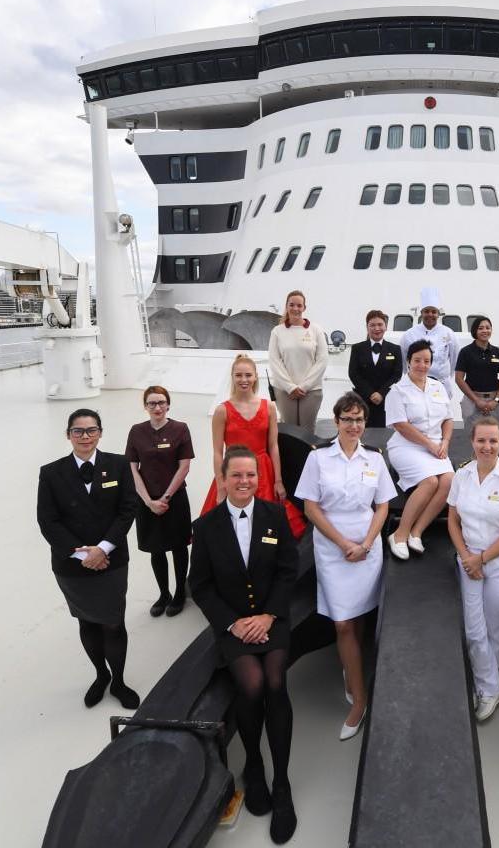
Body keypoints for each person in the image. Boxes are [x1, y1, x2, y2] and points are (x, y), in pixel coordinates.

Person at [189, 445, 300, 844]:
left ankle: (282, 783)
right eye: (236, 475)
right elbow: (198, 584)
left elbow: (289, 569)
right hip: (234, 625)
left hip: (271, 618)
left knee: (275, 683)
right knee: (250, 685)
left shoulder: (274, 515)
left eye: (251, 475)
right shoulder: (206, 527)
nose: (244, 482)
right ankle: (254, 765)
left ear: (259, 478)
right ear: (223, 478)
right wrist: (234, 624)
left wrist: (269, 615)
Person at [294, 393, 396, 740]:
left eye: (359, 420)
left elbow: (382, 506)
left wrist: (366, 544)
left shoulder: (374, 459)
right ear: (336, 422)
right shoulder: (319, 459)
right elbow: (312, 508)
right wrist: (344, 544)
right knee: (342, 623)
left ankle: (352, 671)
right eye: (347, 419)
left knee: (361, 616)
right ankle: (360, 700)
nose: (354, 425)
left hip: (367, 549)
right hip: (334, 549)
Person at [37, 409, 141, 709]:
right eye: (78, 431)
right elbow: (48, 521)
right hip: (72, 566)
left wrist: (103, 549)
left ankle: (118, 681)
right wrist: (82, 553)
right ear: (68, 434)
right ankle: (100, 675)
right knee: (87, 622)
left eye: (91, 430)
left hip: (111, 561)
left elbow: (127, 509)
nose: (85, 436)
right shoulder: (51, 473)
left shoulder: (118, 465)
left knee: (113, 623)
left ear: (100, 432)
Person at [447, 416, 499, 721]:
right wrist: (468, 556)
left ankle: (484, 689)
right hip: (469, 560)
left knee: (495, 628)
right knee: (473, 629)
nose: (487, 446)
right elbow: (453, 521)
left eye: (493, 440)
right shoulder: (462, 475)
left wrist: (481, 559)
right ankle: (491, 687)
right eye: (481, 440)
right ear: (472, 441)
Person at [201, 354, 305, 538]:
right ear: (232, 377)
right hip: (233, 472)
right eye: (239, 375)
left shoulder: (269, 407)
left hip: (264, 472)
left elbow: (273, 446)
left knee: (266, 528)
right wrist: (221, 486)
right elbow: (218, 453)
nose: (244, 380)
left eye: (248, 375)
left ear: (255, 376)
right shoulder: (222, 410)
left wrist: (278, 481)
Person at [125, 385, 194, 617]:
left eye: (161, 402)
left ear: (168, 405)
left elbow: (184, 466)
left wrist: (165, 498)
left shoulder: (180, 429)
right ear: (145, 406)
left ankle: (179, 593)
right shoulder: (136, 431)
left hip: (174, 499)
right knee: (156, 548)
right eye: (152, 403)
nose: (157, 407)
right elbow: (132, 469)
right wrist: (147, 501)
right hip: (146, 501)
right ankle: (163, 593)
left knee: (178, 546)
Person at [383, 339, 454, 560]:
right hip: (406, 447)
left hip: (436, 446)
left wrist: (445, 443)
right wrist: (431, 445)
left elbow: (448, 418)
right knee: (430, 481)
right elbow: (401, 426)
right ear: (408, 362)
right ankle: (399, 534)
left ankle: (417, 532)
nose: (422, 365)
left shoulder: (438, 387)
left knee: (450, 481)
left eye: (426, 361)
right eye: (417, 361)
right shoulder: (397, 391)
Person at [267, 290, 328, 430]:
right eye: (292, 305)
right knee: (289, 430)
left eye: (299, 305)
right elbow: (274, 361)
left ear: (304, 308)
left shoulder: (316, 330)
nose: (295, 309)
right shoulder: (277, 331)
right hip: (284, 390)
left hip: (311, 390)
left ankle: (308, 453)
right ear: (287, 306)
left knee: (308, 430)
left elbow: (322, 360)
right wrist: (290, 387)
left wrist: (304, 386)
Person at [347, 309, 403, 428]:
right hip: (362, 399)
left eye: (380, 324)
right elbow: (353, 374)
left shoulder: (395, 349)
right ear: (367, 327)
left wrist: (381, 393)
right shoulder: (357, 348)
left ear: (386, 326)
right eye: (372, 325)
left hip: (386, 400)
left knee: (382, 436)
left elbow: (397, 374)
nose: (376, 328)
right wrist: (371, 393)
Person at [399, 286, 458, 390]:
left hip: (441, 385)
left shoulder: (448, 333)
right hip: (415, 384)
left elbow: (455, 359)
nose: (430, 314)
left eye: (433, 312)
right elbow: (403, 362)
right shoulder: (409, 334)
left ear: (438, 314)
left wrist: (448, 377)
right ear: (421, 313)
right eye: (426, 311)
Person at [453, 315, 499, 425]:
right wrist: (476, 400)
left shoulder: (497, 352)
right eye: (481, 328)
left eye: (488, 328)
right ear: (475, 331)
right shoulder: (466, 352)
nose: (485, 331)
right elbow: (459, 379)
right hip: (472, 401)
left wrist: (496, 400)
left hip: (494, 401)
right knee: (472, 438)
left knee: (496, 437)